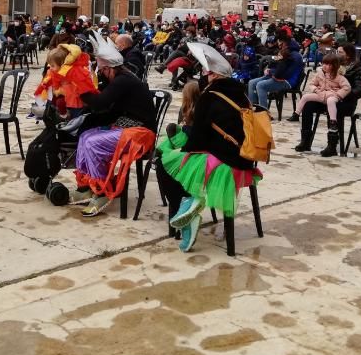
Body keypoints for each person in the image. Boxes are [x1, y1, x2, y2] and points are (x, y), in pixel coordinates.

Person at [158, 42, 263, 252]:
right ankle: (190, 205)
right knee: (184, 160)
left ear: (214, 75)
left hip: (225, 160)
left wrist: (184, 149)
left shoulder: (209, 96)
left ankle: (185, 210)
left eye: (207, 71)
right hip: (245, 157)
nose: (205, 75)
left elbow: (199, 137)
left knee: (166, 162)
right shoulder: (241, 94)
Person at [71, 36, 157, 217]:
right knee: (85, 136)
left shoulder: (122, 80)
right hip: (128, 127)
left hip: (141, 133)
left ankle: (103, 190)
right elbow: (111, 110)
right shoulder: (122, 78)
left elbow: (100, 103)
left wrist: (81, 89)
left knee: (94, 143)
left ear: (109, 69)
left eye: (102, 71)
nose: (101, 74)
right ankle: (87, 186)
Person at [293, 53, 350, 155]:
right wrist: (316, 90)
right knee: (307, 104)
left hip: (337, 99)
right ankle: (305, 140)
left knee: (331, 103)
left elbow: (347, 88)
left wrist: (338, 95)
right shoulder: (320, 73)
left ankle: (332, 144)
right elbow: (312, 84)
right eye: (324, 64)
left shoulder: (340, 76)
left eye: (329, 64)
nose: (325, 66)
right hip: (321, 95)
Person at [247, 30, 304, 110]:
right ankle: (254, 107)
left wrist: (271, 71)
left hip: (287, 81)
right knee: (252, 82)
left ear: (283, 43)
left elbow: (286, 74)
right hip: (276, 76)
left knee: (261, 85)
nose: (278, 44)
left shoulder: (295, 56)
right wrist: (269, 69)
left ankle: (263, 112)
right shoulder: (284, 51)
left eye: (279, 42)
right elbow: (278, 66)